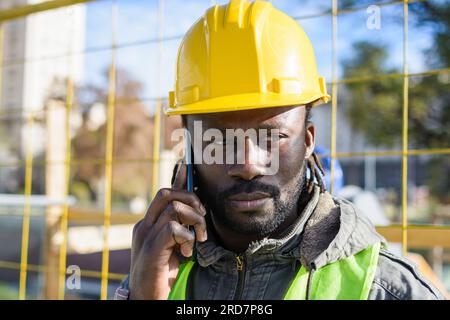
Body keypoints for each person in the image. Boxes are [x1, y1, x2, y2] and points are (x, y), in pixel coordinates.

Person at [115, 0, 444, 300]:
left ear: (308, 140)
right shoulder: (156, 271)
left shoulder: (385, 290)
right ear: (189, 146)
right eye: (219, 140)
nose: (247, 165)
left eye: (272, 137)